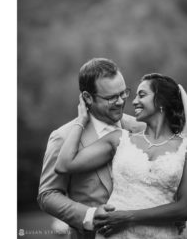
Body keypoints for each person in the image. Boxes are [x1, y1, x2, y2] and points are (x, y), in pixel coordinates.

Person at [55, 73, 187, 239]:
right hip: (114, 234)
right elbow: (64, 165)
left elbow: (186, 208)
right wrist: (81, 120)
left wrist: (128, 217)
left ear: (161, 101)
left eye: (142, 95)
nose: (133, 101)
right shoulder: (119, 139)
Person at [37, 58, 145, 239]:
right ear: (87, 97)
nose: (120, 101)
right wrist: (89, 215)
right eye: (111, 97)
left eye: (123, 93)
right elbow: (47, 195)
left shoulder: (141, 127)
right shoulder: (63, 137)